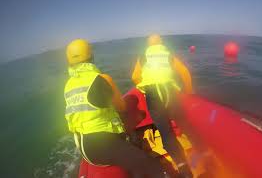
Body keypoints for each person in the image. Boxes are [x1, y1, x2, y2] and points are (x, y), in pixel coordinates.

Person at [64, 39, 168, 178]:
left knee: (133, 159)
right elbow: (121, 107)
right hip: (102, 145)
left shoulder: (68, 85)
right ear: (91, 57)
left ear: (69, 61)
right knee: (153, 166)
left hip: (84, 147)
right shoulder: (102, 79)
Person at [131, 34, 194, 178]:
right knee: (183, 121)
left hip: (153, 93)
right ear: (161, 43)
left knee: (166, 133)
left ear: (148, 45)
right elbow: (184, 72)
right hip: (169, 90)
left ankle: (184, 169)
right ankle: (201, 150)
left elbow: (135, 77)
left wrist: (143, 87)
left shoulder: (143, 56)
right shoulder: (168, 54)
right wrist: (189, 93)